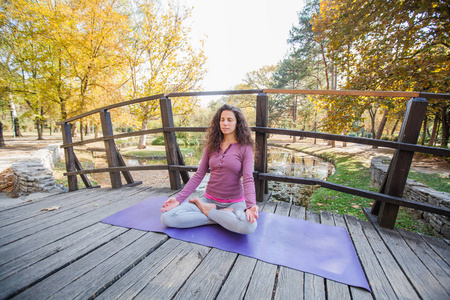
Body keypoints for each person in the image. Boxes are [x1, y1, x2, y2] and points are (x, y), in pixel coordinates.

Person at [160, 104, 259, 234]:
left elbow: (248, 178)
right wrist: (178, 199)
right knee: (167, 218)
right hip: (208, 199)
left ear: (237, 123)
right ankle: (218, 216)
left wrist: (251, 205)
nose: (225, 123)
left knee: (248, 226)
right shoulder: (211, 145)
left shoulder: (245, 148)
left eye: (230, 120)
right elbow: (198, 175)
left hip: (234, 204)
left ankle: (207, 210)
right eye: (222, 119)